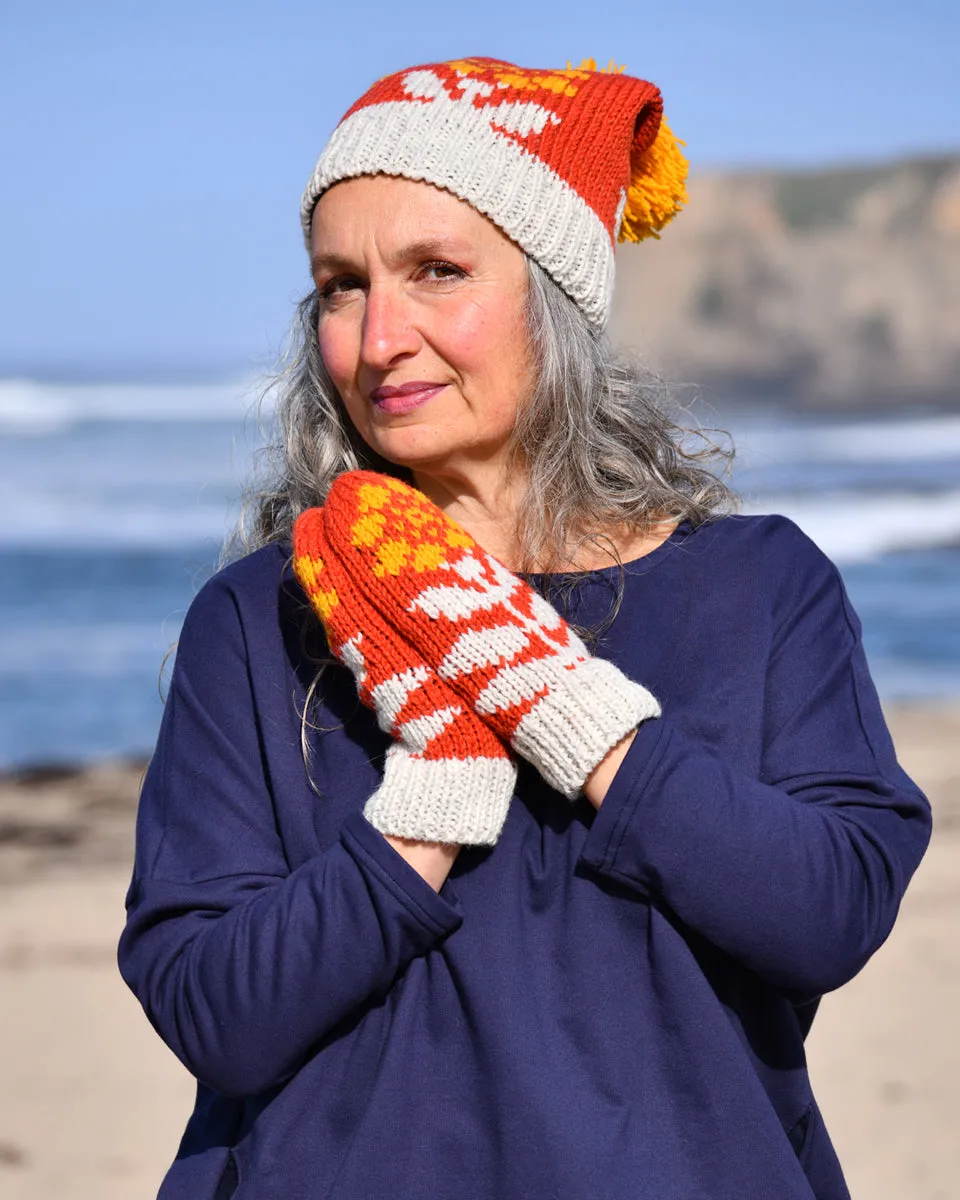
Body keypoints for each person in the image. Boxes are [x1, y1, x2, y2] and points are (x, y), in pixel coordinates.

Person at [118, 56, 931, 1200]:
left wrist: (569, 711)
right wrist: (432, 799)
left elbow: (830, 914)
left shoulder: (759, 587)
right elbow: (215, 1015)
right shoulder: (260, 618)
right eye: (341, 286)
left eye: (437, 271)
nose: (380, 336)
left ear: (553, 295)